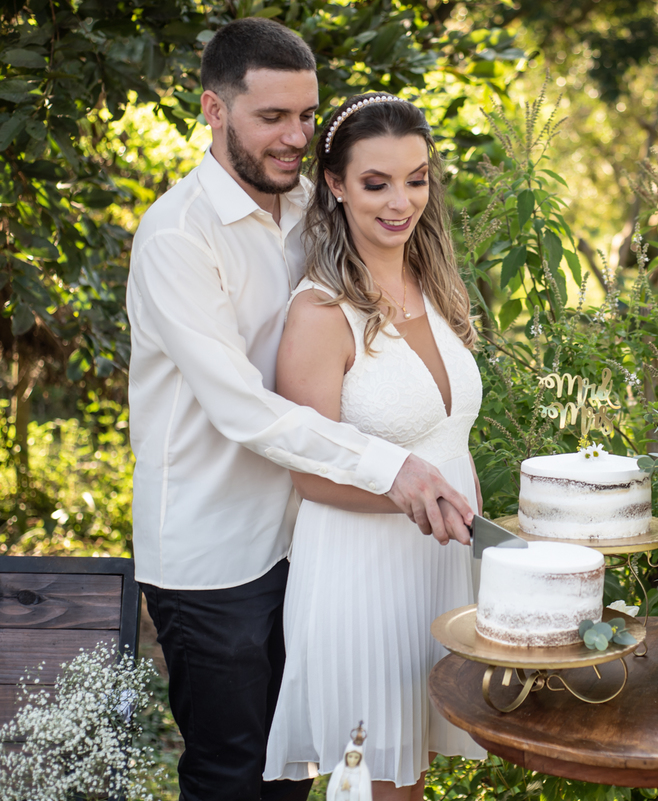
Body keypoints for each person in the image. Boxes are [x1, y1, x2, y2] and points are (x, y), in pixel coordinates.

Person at [127, 19, 473, 801]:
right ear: (214, 110)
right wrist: (391, 466)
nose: (295, 137)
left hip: (308, 540)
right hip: (213, 547)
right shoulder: (178, 237)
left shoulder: (309, 207)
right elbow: (242, 407)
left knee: (297, 770)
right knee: (232, 773)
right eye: (272, 117)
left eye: (307, 115)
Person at [262, 92, 486, 801]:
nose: (401, 202)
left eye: (415, 180)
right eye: (376, 183)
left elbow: (449, 438)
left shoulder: (435, 285)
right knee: (377, 784)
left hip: (440, 564)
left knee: (411, 779)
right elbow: (310, 475)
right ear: (335, 184)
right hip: (361, 576)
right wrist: (418, 497)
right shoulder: (321, 311)